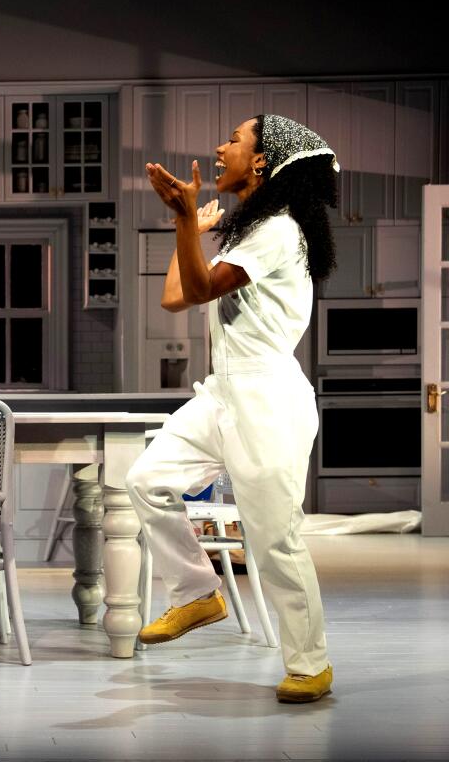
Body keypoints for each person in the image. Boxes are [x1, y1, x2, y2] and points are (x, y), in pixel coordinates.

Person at [126, 114, 339, 704]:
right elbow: (176, 296)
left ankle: (310, 663)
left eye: (234, 140)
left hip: (267, 398)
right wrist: (189, 227)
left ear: (264, 162)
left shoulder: (278, 230)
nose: (219, 148)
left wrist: (184, 222)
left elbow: (195, 290)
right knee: (146, 480)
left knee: (275, 537)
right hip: (224, 392)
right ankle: (197, 592)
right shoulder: (250, 232)